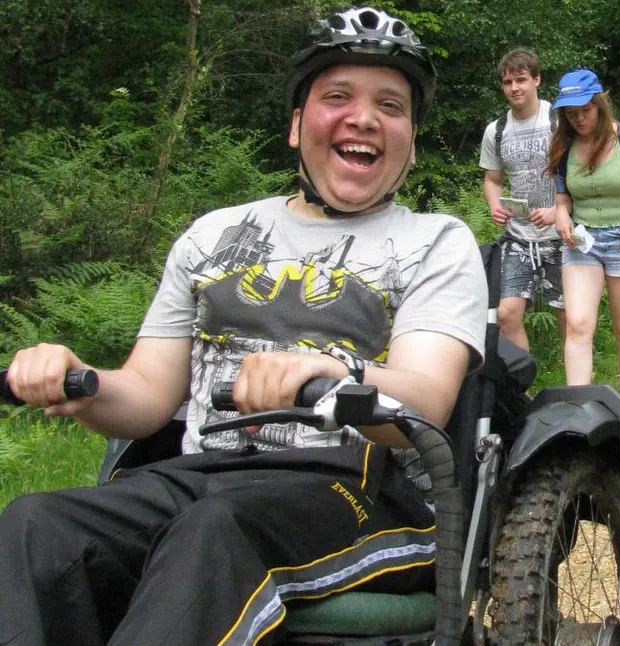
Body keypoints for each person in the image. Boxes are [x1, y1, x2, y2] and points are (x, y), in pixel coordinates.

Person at [0, 7, 488, 645]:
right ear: (296, 125)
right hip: (201, 476)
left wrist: (333, 370)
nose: (364, 118)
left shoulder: (436, 242)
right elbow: (147, 395)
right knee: (34, 523)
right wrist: (76, 379)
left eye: (391, 106)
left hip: (360, 492)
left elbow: (424, 399)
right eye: (336, 96)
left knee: (211, 531)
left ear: (410, 138)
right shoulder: (211, 235)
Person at [543, 69, 620, 406]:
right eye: (571, 113)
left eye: (585, 110)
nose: (579, 118)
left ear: (599, 104)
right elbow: (563, 196)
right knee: (579, 324)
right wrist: (562, 213)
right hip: (583, 244)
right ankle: (578, 408)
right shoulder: (563, 146)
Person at [479, 48, 565, 351]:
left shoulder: (560, 120)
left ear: (537, 80)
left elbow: (584, 175)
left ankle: (576, 391)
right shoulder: (497, 130)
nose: (514, 88)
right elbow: (492, 179)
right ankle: (520, 391)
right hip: (518, 237)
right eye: (507, 82)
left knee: (569, 317)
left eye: (521, 80)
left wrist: (558, 211)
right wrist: (494, 205)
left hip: (562, 235)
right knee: (506, 315)